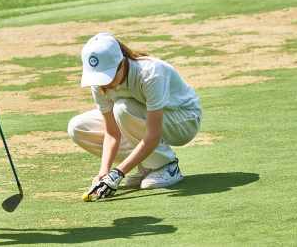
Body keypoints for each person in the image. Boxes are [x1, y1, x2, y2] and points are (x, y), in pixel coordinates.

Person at [68, 33, 202, 201]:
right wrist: (104, 173)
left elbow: (153, 134)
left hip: (183, 119)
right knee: (78, 127)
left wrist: (118, 173)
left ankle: (167, 166)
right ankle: (148, 165)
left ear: (121, 62)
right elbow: (112, 134)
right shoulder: (99, 84)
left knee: (123, 109)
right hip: (141, 117)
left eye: (108, 76)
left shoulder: (151, 73)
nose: (105, 84)